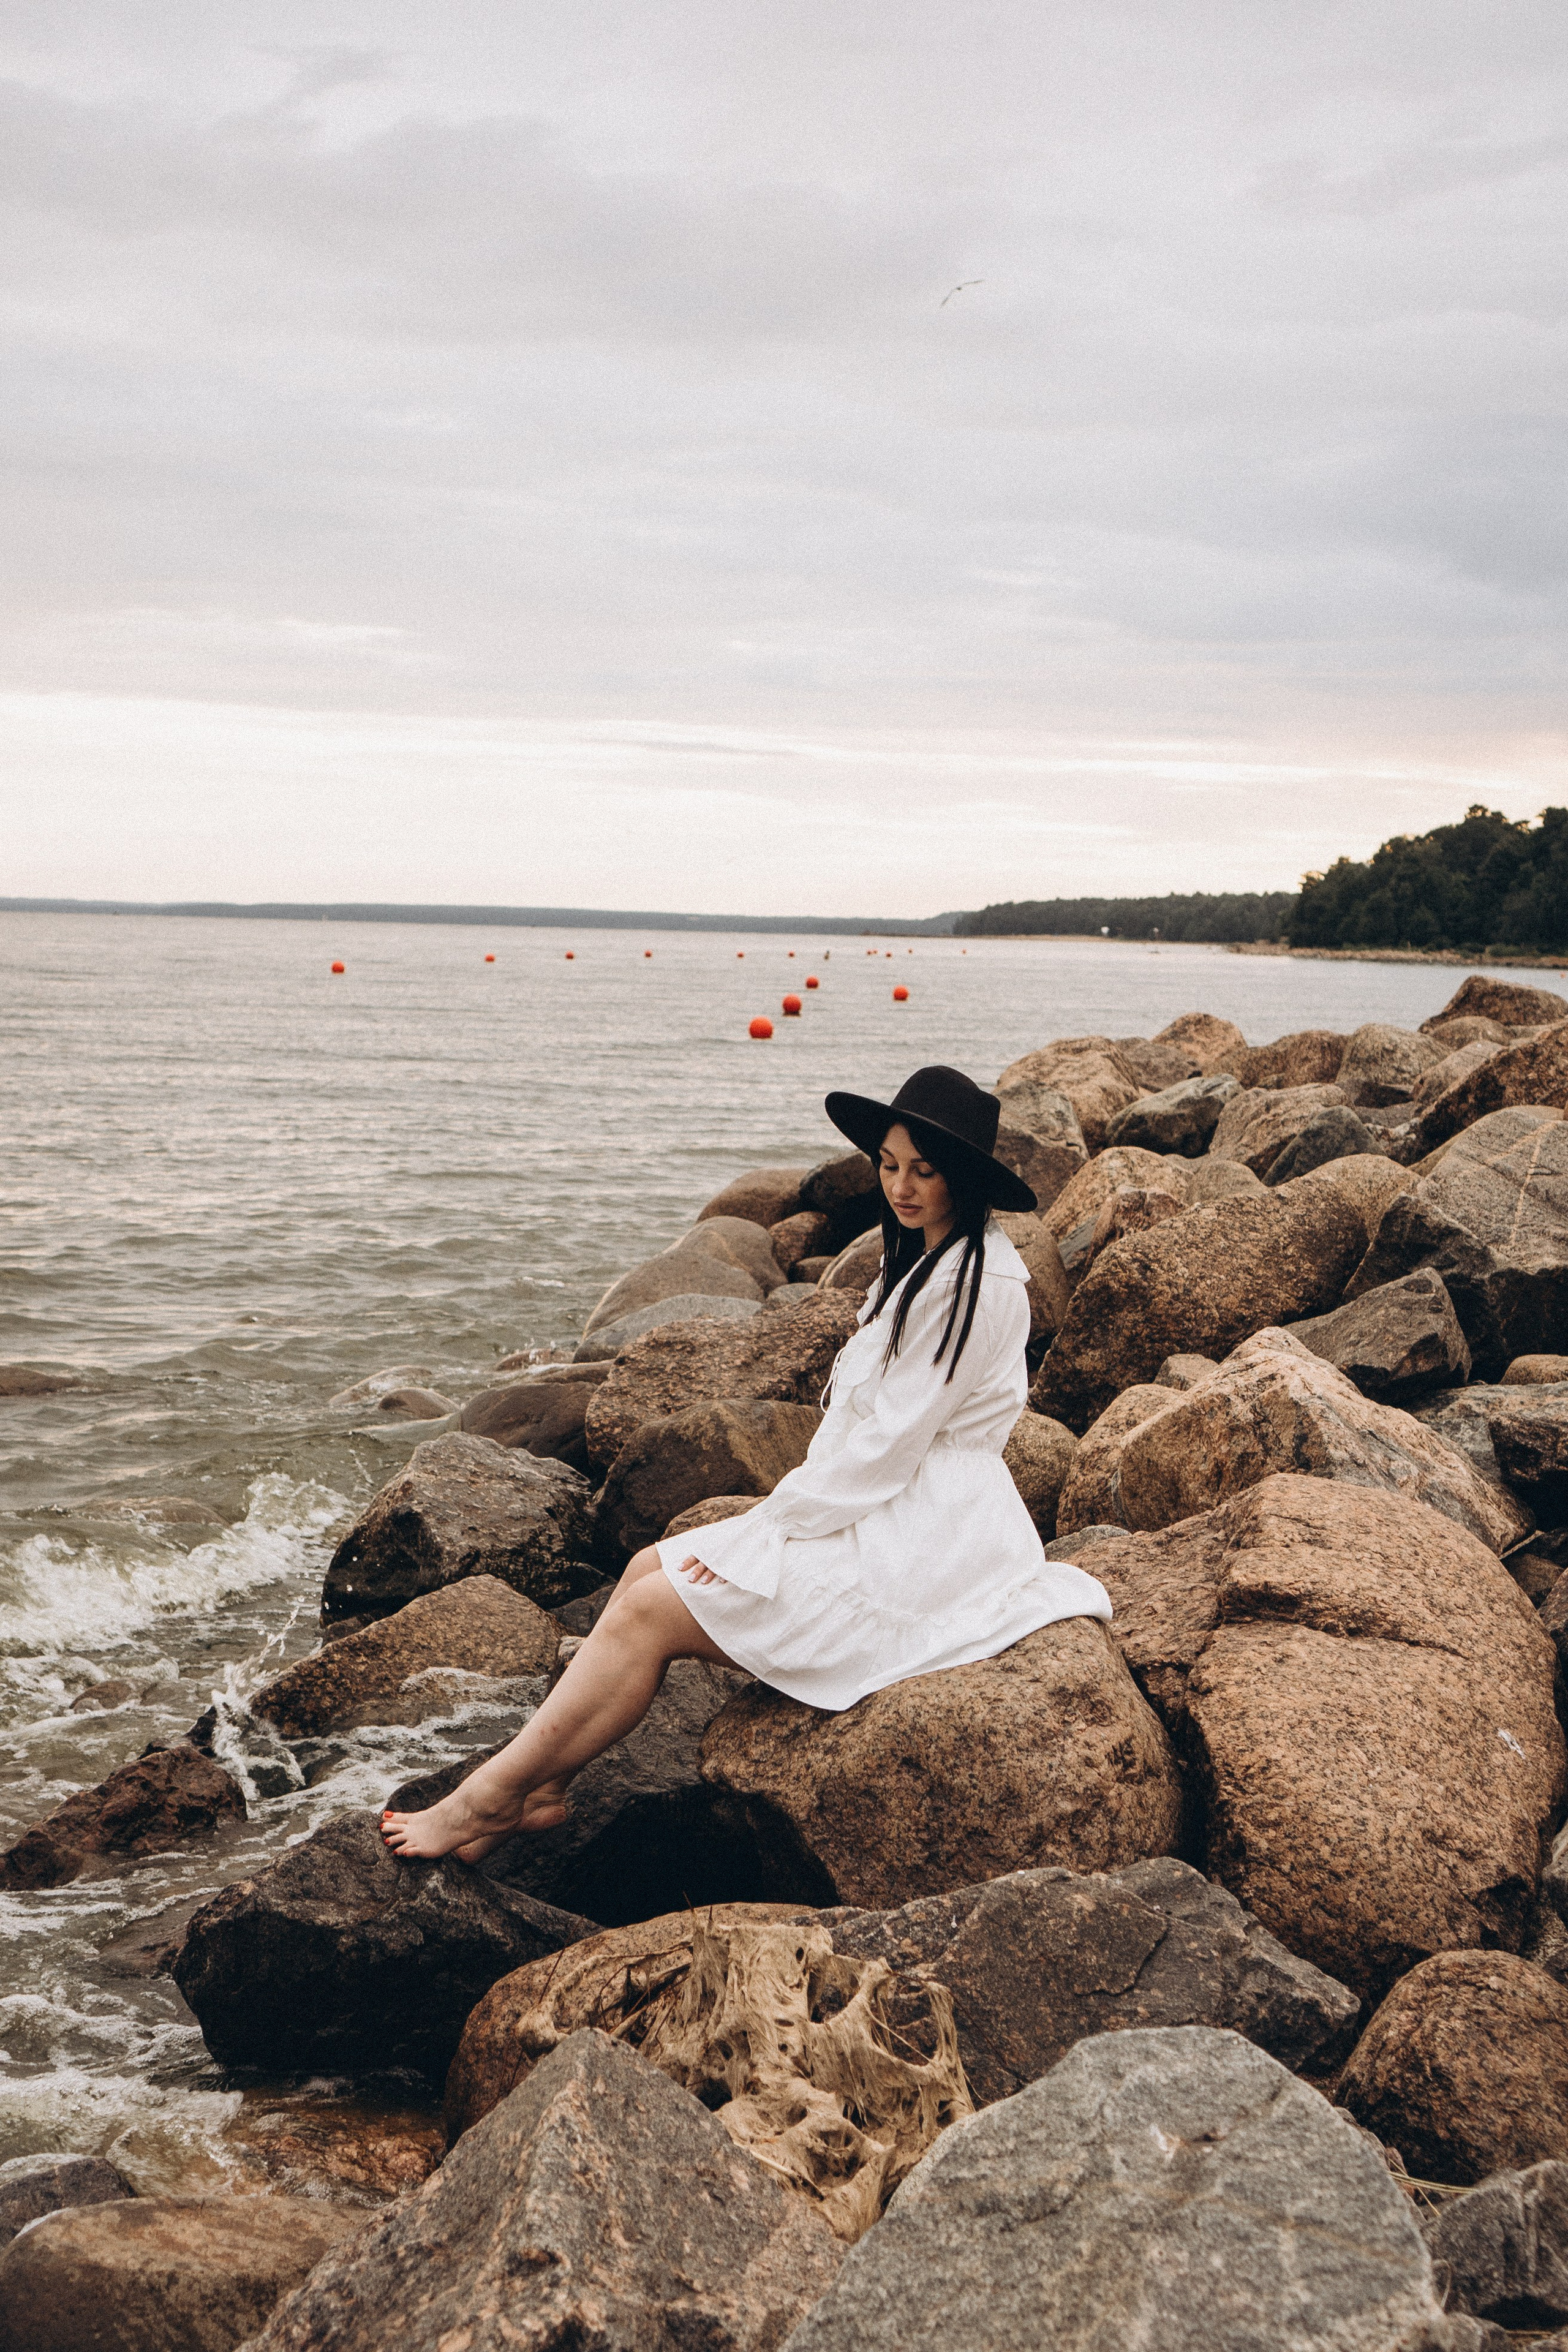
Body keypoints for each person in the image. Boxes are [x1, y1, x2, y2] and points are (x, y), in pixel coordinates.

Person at [380, 1064, 1112, 1863]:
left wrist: (771, 1527)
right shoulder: (931, 1258)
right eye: (889, 1165)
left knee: (649, 1612)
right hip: (891, 1505)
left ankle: (486, 1799)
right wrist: (771, 1525)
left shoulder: (977, 1285)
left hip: (926, 1538)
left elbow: (886, 1450)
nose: (901, 1187)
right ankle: (543, 1786)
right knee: (647, 1568)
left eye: (924, 1172)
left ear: (963, 1178)